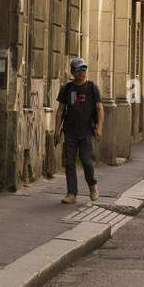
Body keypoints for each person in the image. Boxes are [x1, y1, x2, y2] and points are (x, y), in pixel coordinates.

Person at [55, 58, 103, 204]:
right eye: (78, 70)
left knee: (87, 161)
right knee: (69, 163)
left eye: (83, 69)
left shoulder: (92, 88)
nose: (81, 73)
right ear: (72, 72)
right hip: (70, 131)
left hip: (87, 131)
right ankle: (71, 193)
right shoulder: (67, 89)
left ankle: (92, 185)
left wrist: (99, 128)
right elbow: (60, 110)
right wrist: (56, 130)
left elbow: (100, 108)